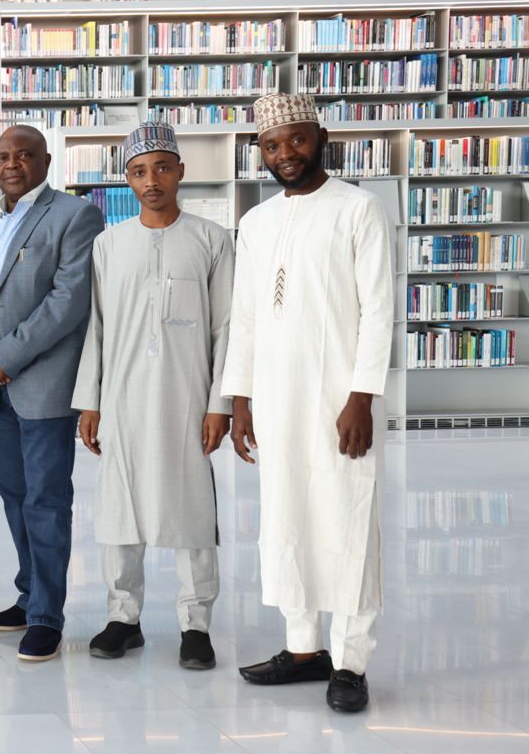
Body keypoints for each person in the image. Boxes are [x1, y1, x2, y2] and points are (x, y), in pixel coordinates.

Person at [225, 93, 393, 714]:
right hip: (274, 398)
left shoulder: (358, 209)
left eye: (296, 140)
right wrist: (239, 398)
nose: (285, 154)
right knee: (286, 515)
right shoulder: (256, 222)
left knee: (348, 519)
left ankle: (350, 662)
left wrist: (362, 397)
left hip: (338, 400)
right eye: (272, 145)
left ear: (321, 138)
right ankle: (302, 649)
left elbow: (378, 310)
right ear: (260, 152)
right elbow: (245, 316)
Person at [72, 122, 233, 671]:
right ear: (127, 179)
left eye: (162, 168)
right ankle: (123, 617)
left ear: (181, 171)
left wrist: (219, 403)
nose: (152, 180)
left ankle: (196, 624)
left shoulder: (212, 240)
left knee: (192, 510)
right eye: (140, 171)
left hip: (187, 398)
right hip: (121, 397)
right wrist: (90, 401)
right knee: (120, 507)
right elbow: (95, 327)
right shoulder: (108, 244)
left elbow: (226, 328)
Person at [0, 124, 104, 662]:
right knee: (14, 496)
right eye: (2, 156)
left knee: (46, 500)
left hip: (42, 386)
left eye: (23, 155)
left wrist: (4, 357)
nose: (11, 164)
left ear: (45, 161)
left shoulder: (75, 216)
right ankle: (28, 594)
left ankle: (46, 616)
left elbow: (68, 300)